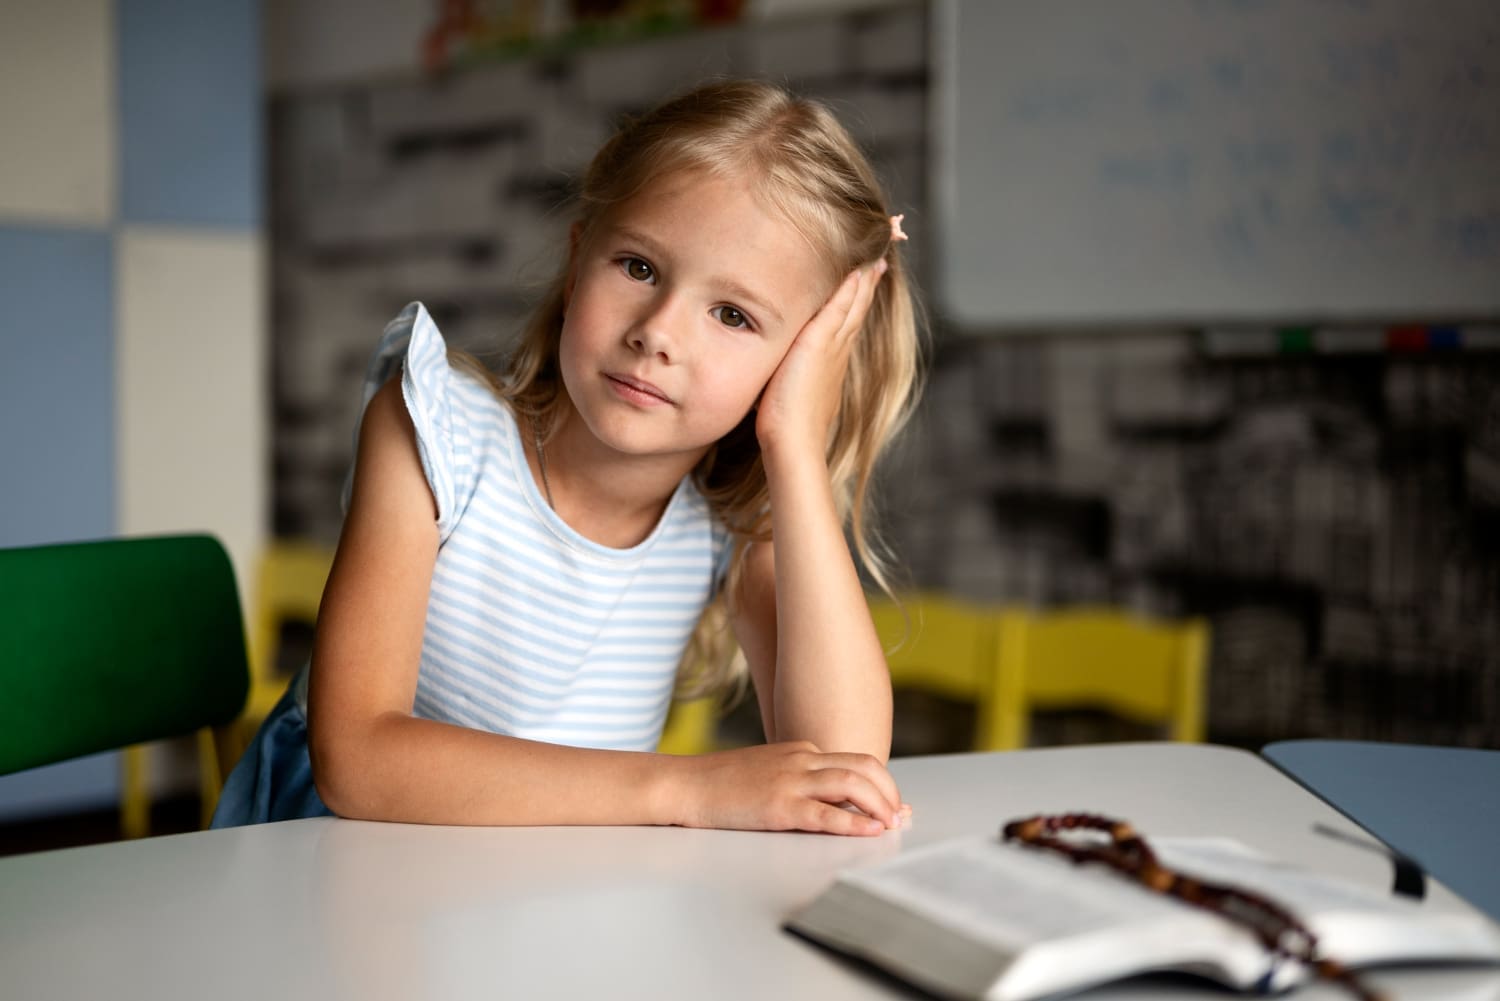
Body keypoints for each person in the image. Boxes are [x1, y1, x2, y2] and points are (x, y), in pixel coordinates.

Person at [214, 79, 923, 836]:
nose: (658, 332)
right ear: (580, 256)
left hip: (543, 893)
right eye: (640, 267)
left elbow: (844, 769)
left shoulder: (730, 519)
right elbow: (357, 759)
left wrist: (796, 450)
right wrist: (685, 791)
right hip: (336, 869)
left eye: (733, 315)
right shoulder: (434, 430)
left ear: (800, 361)